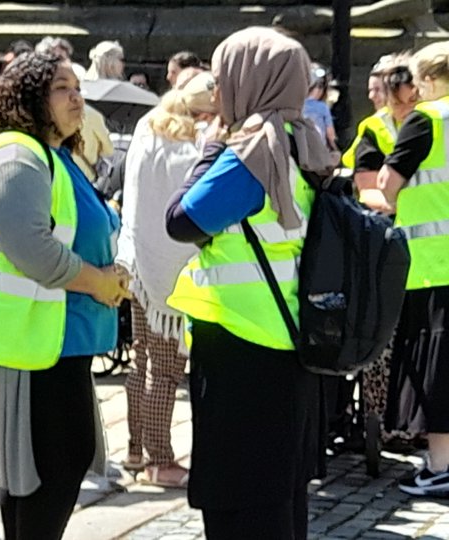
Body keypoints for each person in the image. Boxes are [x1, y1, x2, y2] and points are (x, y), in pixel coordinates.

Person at [165, 27, 337, 538]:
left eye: (222, 79)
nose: (216, 92)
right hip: (290, 340)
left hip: (242, 345)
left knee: (241, 500)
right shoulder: (303, 138)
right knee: (281, 494)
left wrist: (212, 147)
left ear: (249, 80)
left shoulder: (249, 153)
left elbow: (181, 219)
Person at [0, 51, 129, 539]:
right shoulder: (15, 157)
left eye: (79, 88)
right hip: (28, 345)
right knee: (48, 476)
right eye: (62, 88)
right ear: (29, 96)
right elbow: (34, 252)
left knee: (48, 475)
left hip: (55, 342)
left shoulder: (52, 156)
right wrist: (101, 282)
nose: (77, 97)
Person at [115, 73, 215, 489]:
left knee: (141, 362)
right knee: (167, 371)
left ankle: (136, 450)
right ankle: (161, 460)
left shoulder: (146, 128)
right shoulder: (195, 146)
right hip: (173, 267)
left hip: (137, 259)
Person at [358, 41, 449, 498]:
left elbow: (387, 187)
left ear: (428, 81)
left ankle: (440, 466)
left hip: (433, 265)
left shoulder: (428, 119)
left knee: (436, 371)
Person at [346, 60, 415, 190]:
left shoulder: (430, 118)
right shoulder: (373, 125)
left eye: (378, 90)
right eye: (370, 90)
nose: (372, 96)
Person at [305, 62, 337, 148]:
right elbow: (330, 133)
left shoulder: (297, 105)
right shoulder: (323, 107)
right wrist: (335, 148)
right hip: (319, 150)